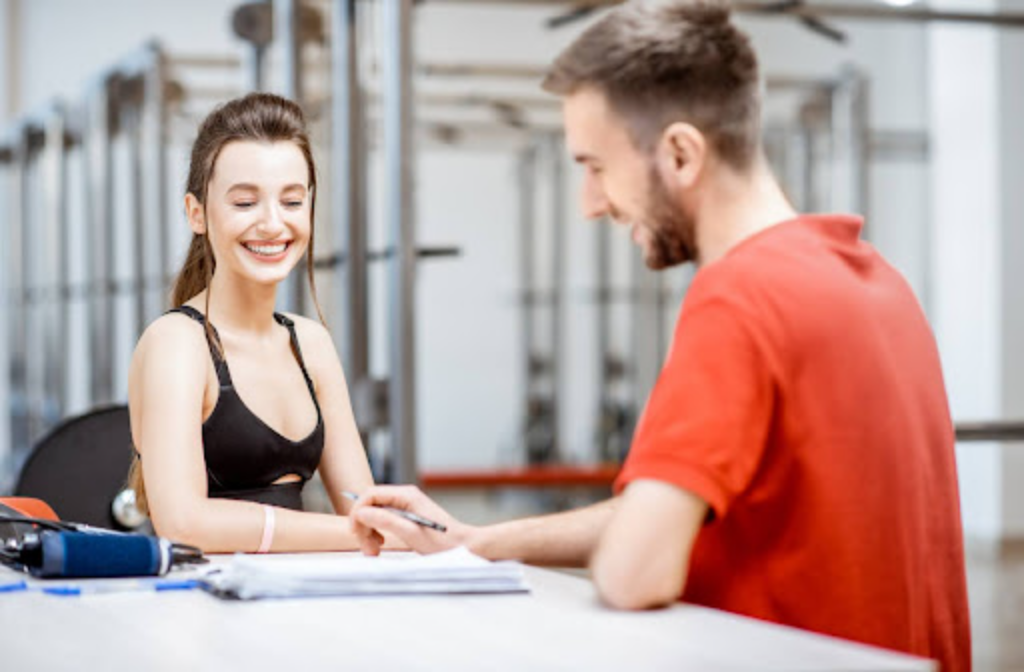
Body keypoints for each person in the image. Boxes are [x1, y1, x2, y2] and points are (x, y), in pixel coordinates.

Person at [348, 1, 971, 669]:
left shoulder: (739, 297)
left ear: (679, 153)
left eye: (594, 166)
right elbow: (667, 516)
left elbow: (634, 571)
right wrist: (480, 542)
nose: (590, 204)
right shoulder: (879, 283)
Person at [127, 93, 388, 554]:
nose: (272, 223)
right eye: (245, 202)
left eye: (291, 201)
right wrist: (361, 532)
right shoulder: (177, 343)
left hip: (295, 603)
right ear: (197, 213)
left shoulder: (311, 343)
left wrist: (405, 528)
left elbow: (363, 509)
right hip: (201, 609)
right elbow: (184, 524)